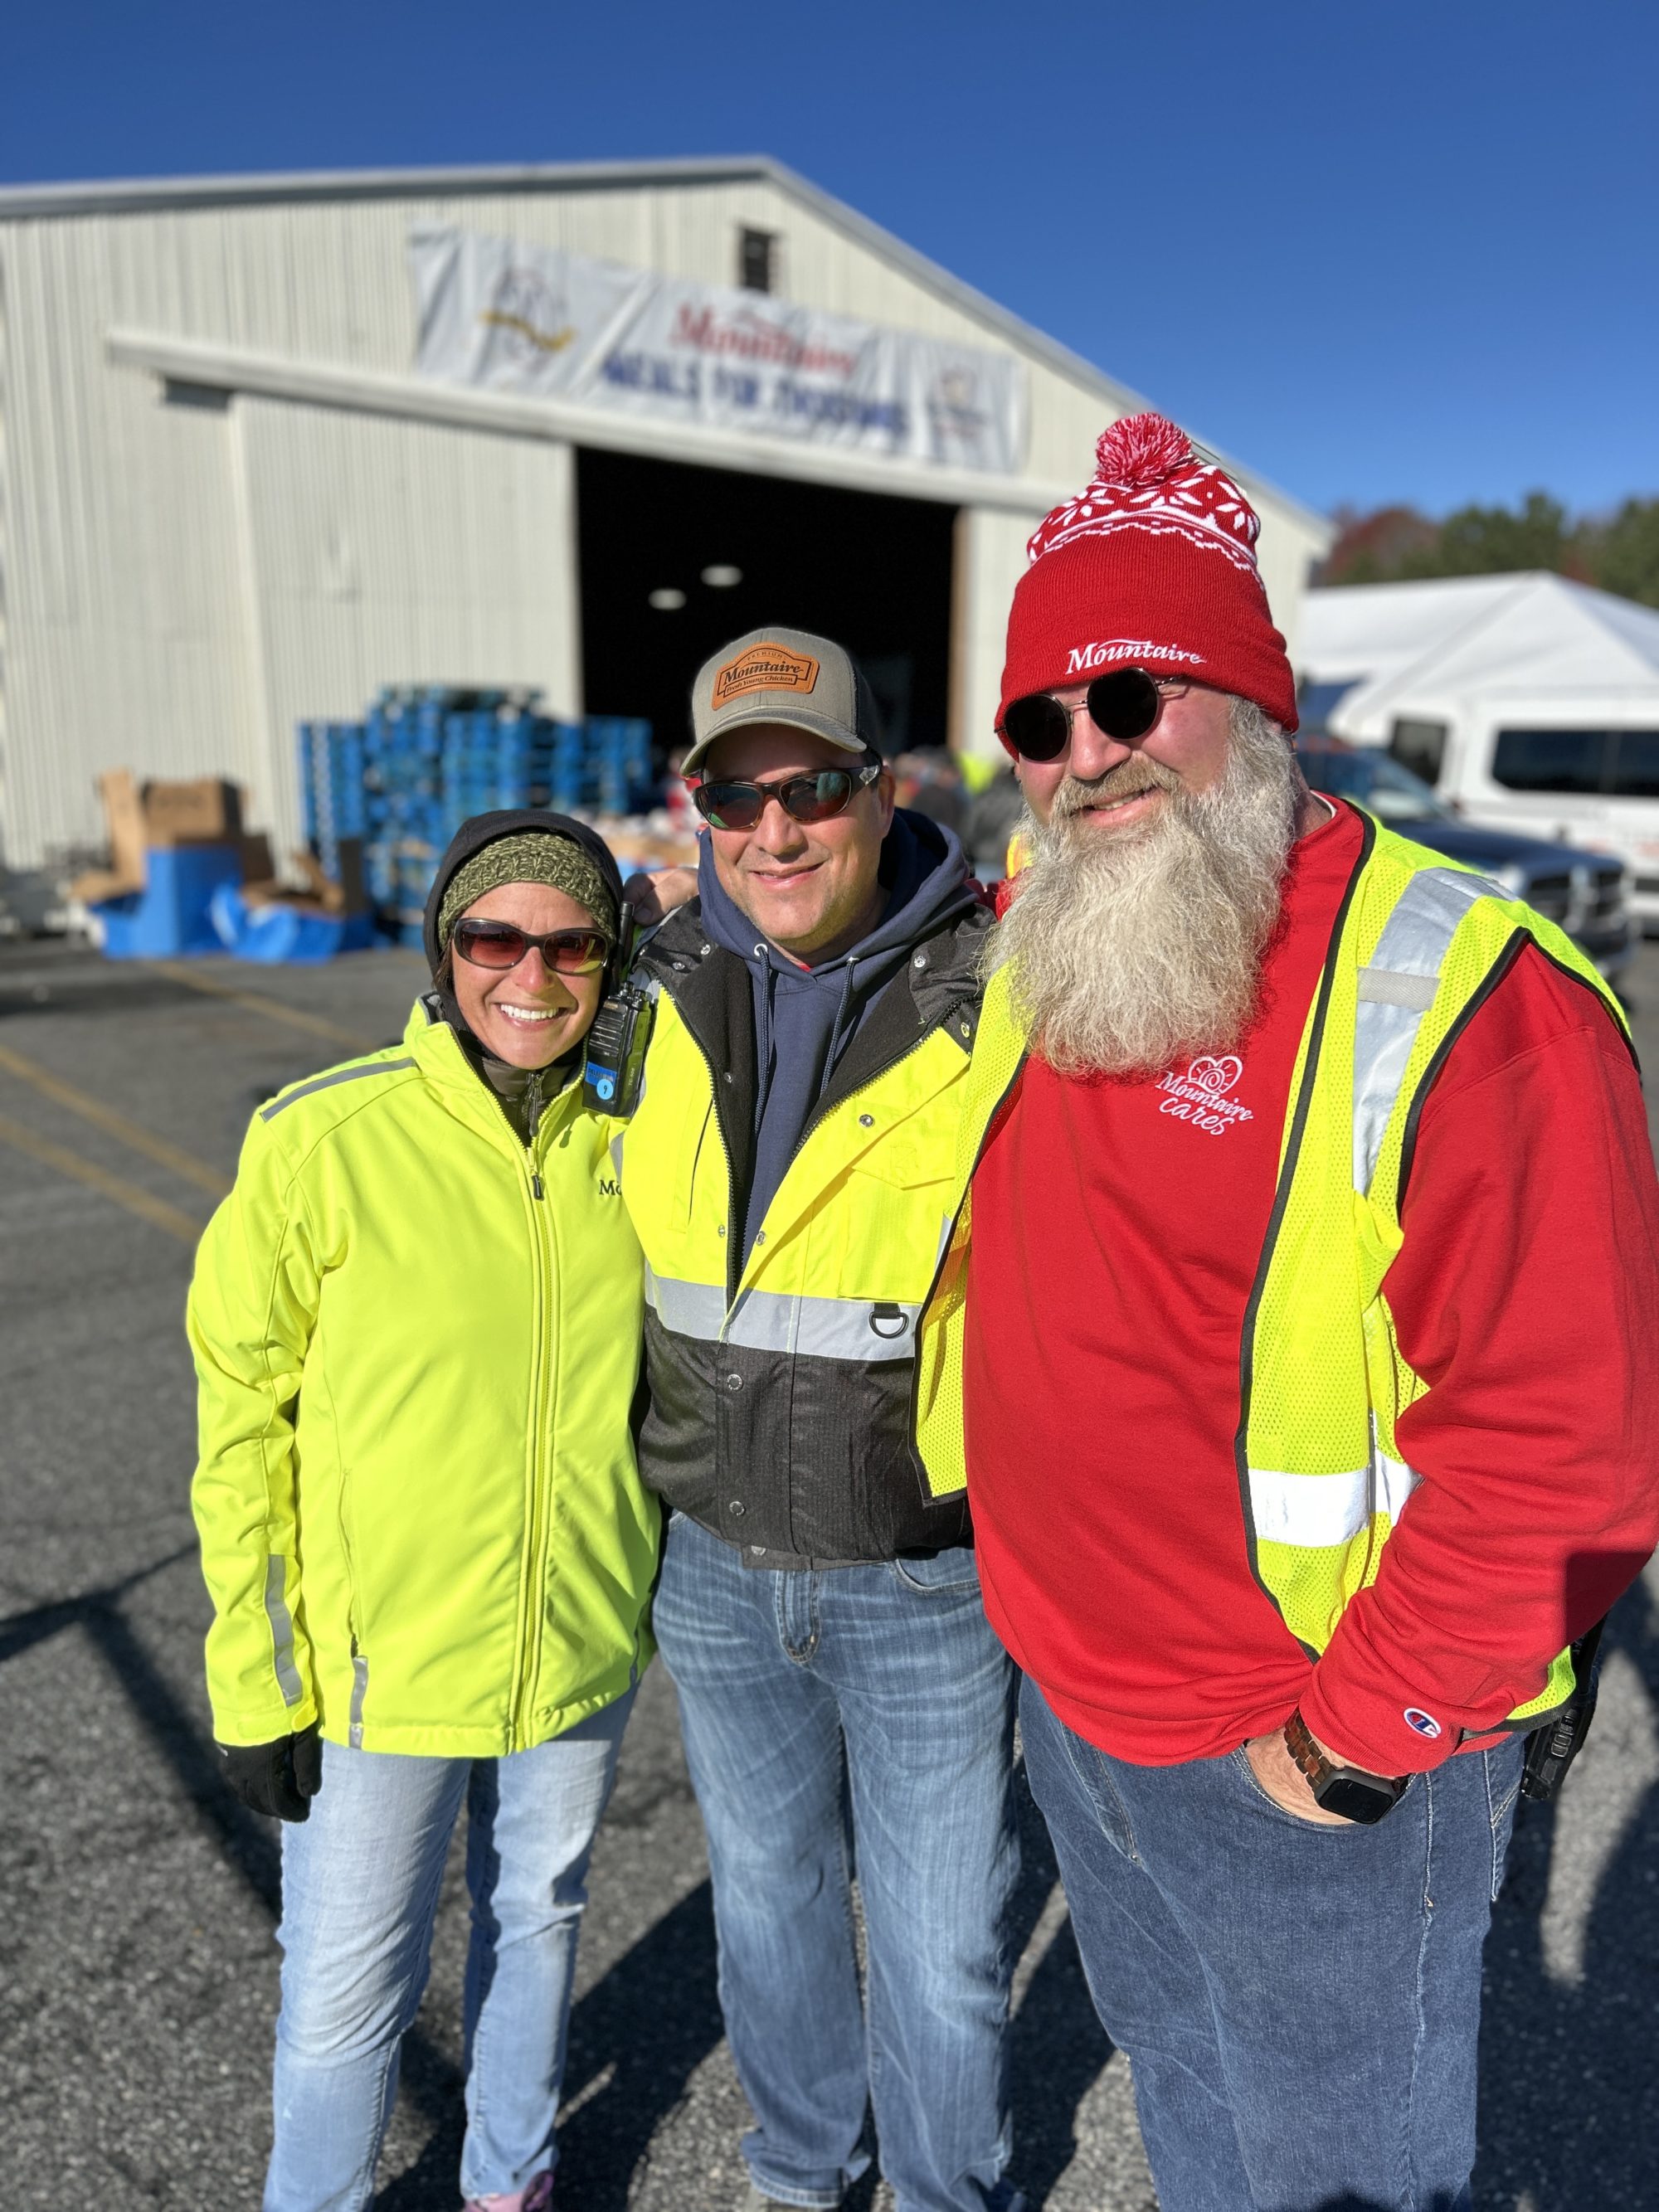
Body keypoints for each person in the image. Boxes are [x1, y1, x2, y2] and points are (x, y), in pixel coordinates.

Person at [907, 415, 1659, 2211]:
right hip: (1073, 1696)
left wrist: (1352, 1738)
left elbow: (1567, 1440)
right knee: (1186, 2097)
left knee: (1338, 2174)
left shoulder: (1469, 997)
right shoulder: (1066, 919)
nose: (1086, 754)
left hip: (1299, 1745)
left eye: (1131, 694)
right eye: (1040, 724)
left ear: (1256, 698)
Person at [188, 812, 659, 2212]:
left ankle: (509, 2180)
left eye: (572, 944)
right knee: (349, 1989)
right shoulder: (322, 1139)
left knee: (539, 1919)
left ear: (612, 960)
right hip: (376, 1668)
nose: (532, 975)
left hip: (575, 1641)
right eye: (493, 938)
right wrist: (257, 1677)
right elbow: (240, 1425)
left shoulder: (640, 1137)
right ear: (443, 950)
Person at [613, 627, 1022, 2212]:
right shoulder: (643, 988)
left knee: (942, 1947)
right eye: (736, 797)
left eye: (813, 790)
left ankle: (942, 2193)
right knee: (769, 1909)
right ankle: (799, 2171)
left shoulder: (1009, 987)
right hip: (712, 1568)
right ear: (696, 807)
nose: (773, 831)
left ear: (883, 787)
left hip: (923, 1577)